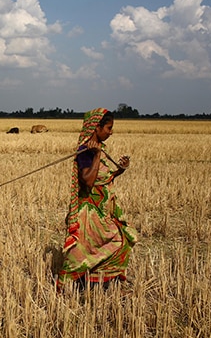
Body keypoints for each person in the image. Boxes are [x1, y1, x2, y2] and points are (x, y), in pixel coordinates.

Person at [56, 108, 137, 292]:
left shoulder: (98, 148)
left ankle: (99, 281)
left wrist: (120, 169)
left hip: (104, 209)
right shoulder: (86, 151)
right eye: (108, 128)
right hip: (89, 213)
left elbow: (104, 178)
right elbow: (88, 180)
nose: (110, 132)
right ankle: (78, 283)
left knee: (123, 238)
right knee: (96, 246)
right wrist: (97, 154)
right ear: (96, 127)